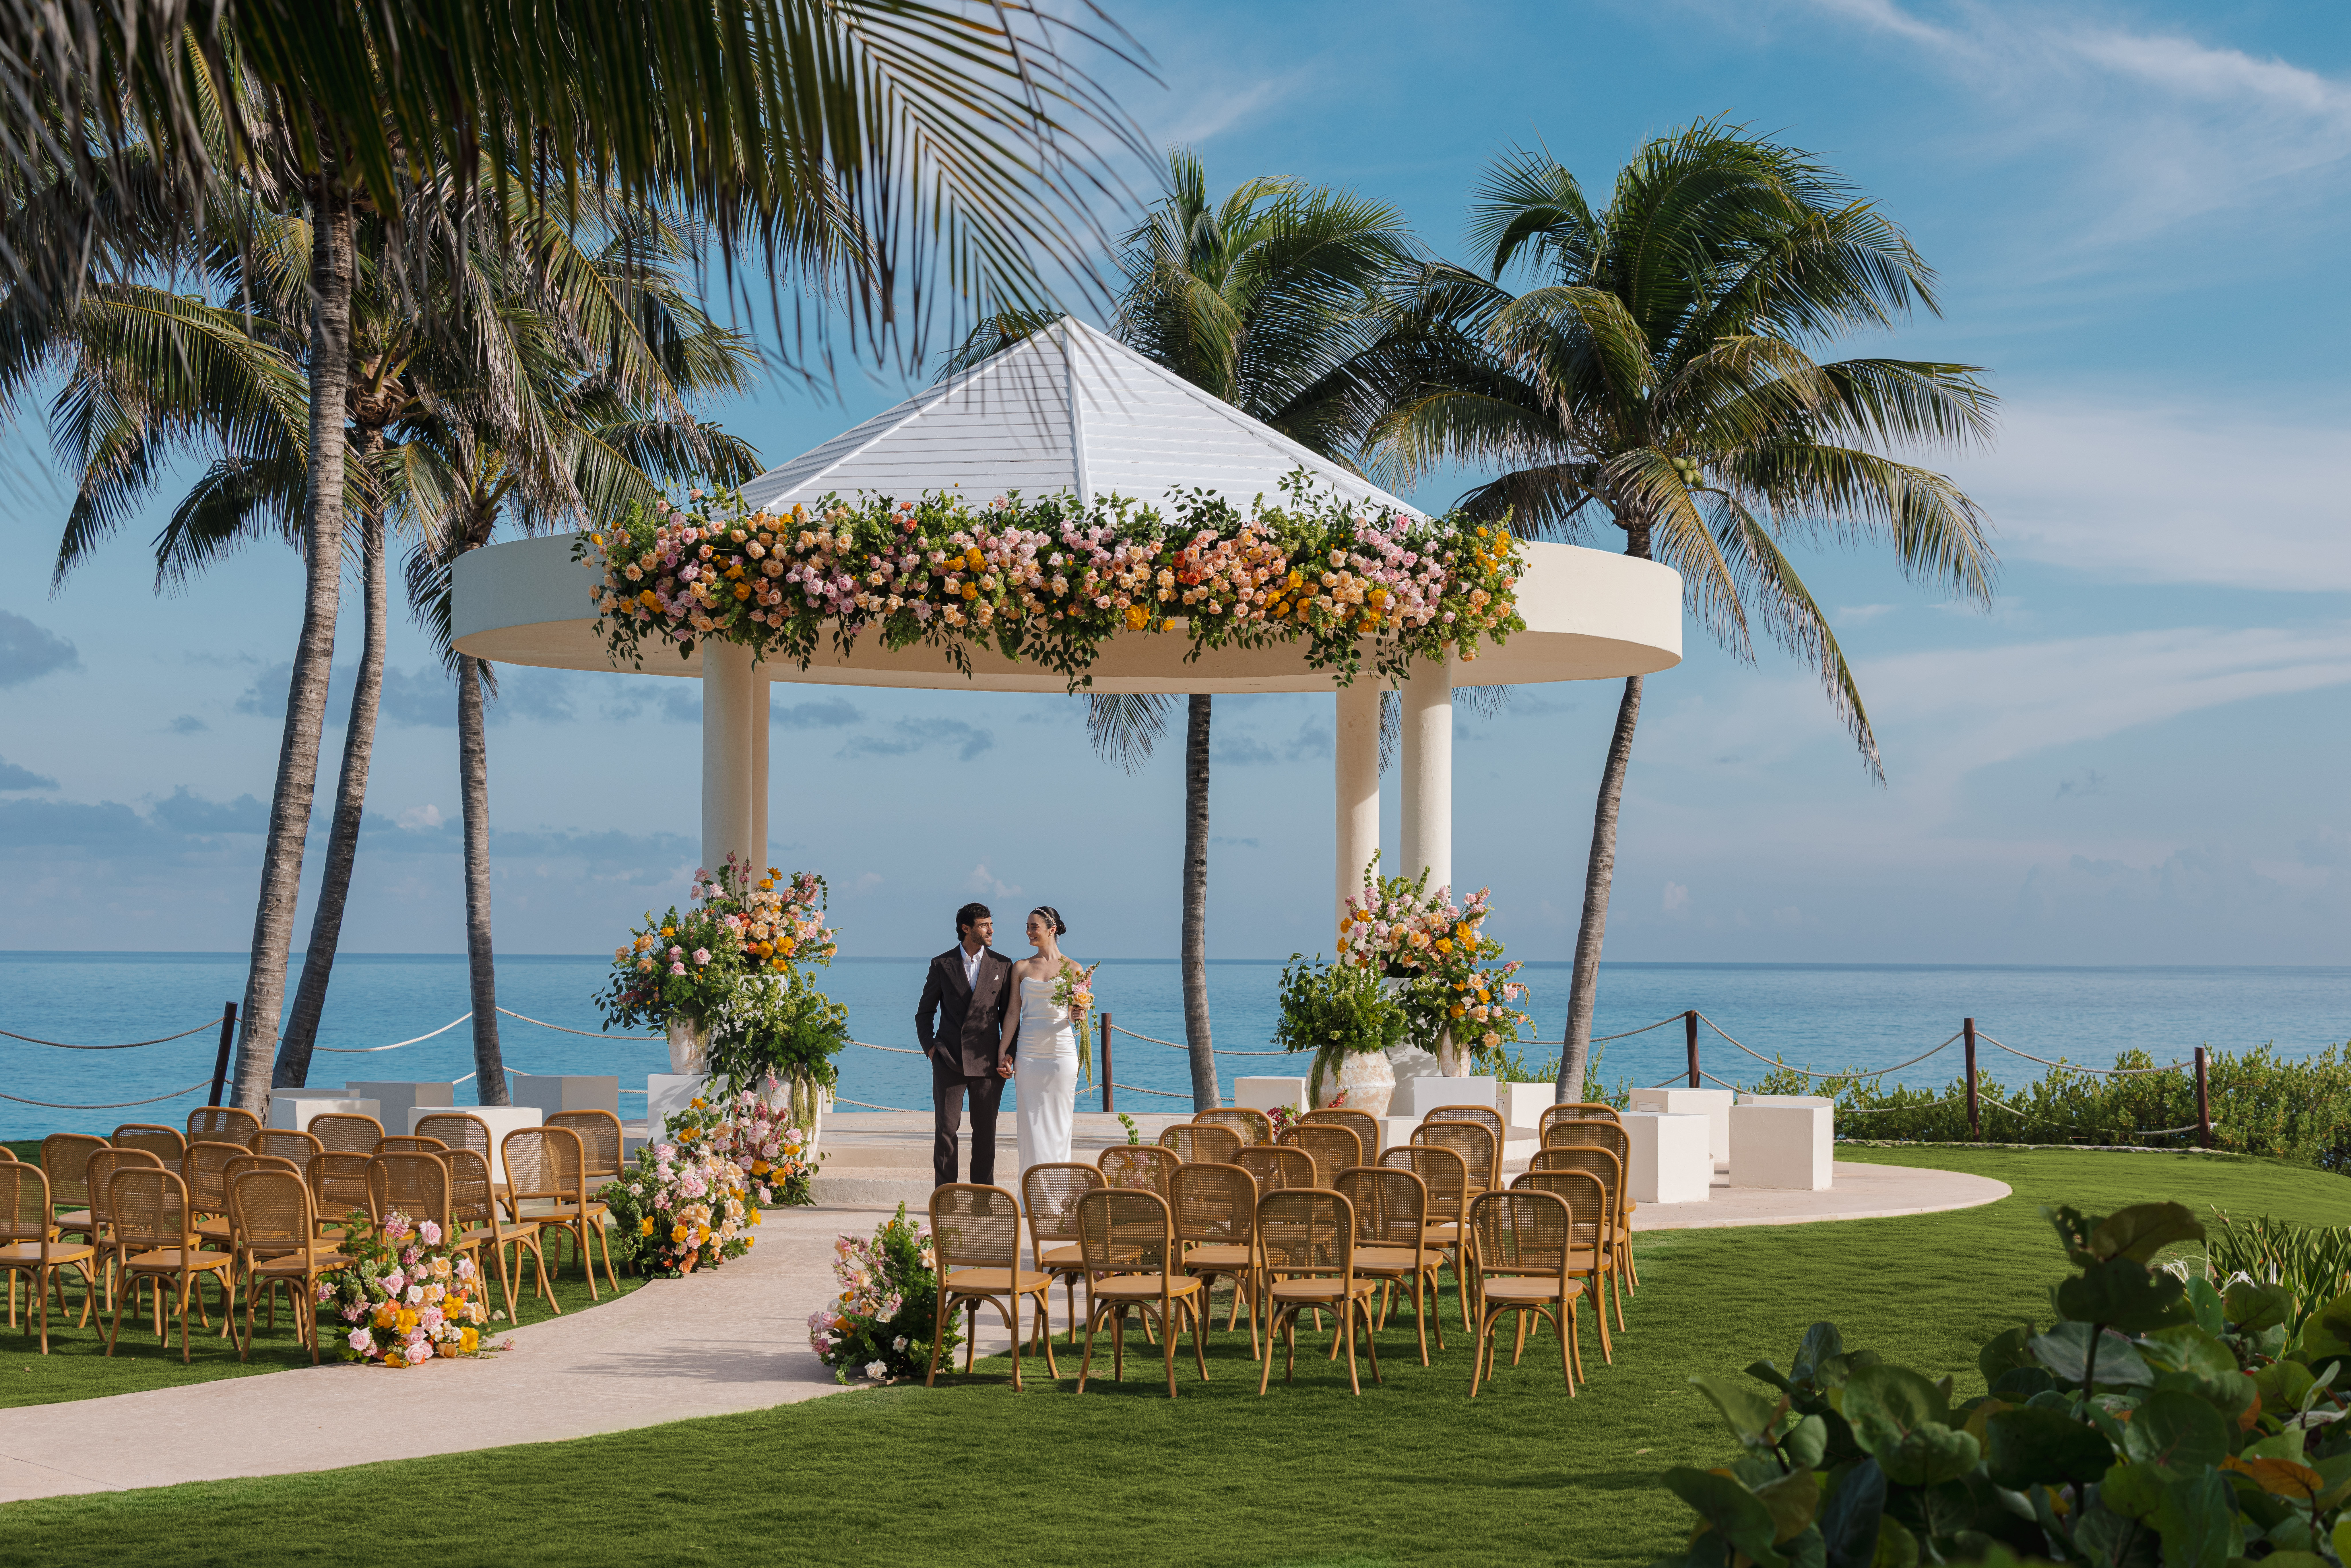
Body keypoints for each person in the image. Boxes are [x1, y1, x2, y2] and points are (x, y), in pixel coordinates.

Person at [915, 902, 1015, 1189]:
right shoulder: (941, 964)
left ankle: (982, 1198)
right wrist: (931, 1048)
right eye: (984, 925)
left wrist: (1010, 1053)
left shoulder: (1002, 964)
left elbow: (1010, 1014)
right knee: (946, 1131)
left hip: (988, 1062)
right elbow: (924, 1012)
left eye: (991, 924)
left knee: (985, 1134)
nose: (991, 929)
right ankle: (945, 1195)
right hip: (948, 1059)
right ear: (966, 929)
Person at [1002, 906, 1084, 1176]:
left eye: (1034, 927)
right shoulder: (1021, 967)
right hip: (1028, 1053)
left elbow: (1077, 1018)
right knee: (1031, 1123)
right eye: (1027, 927)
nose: (1028, 932)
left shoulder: (1074, 969)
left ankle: (1060, 1195)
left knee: (1062, 1122)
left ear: (1052, 930)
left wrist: (1078, 1014)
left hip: (1062, 1052)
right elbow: (1014, 1012)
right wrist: (1003, 1052)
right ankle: (1033, 1192)